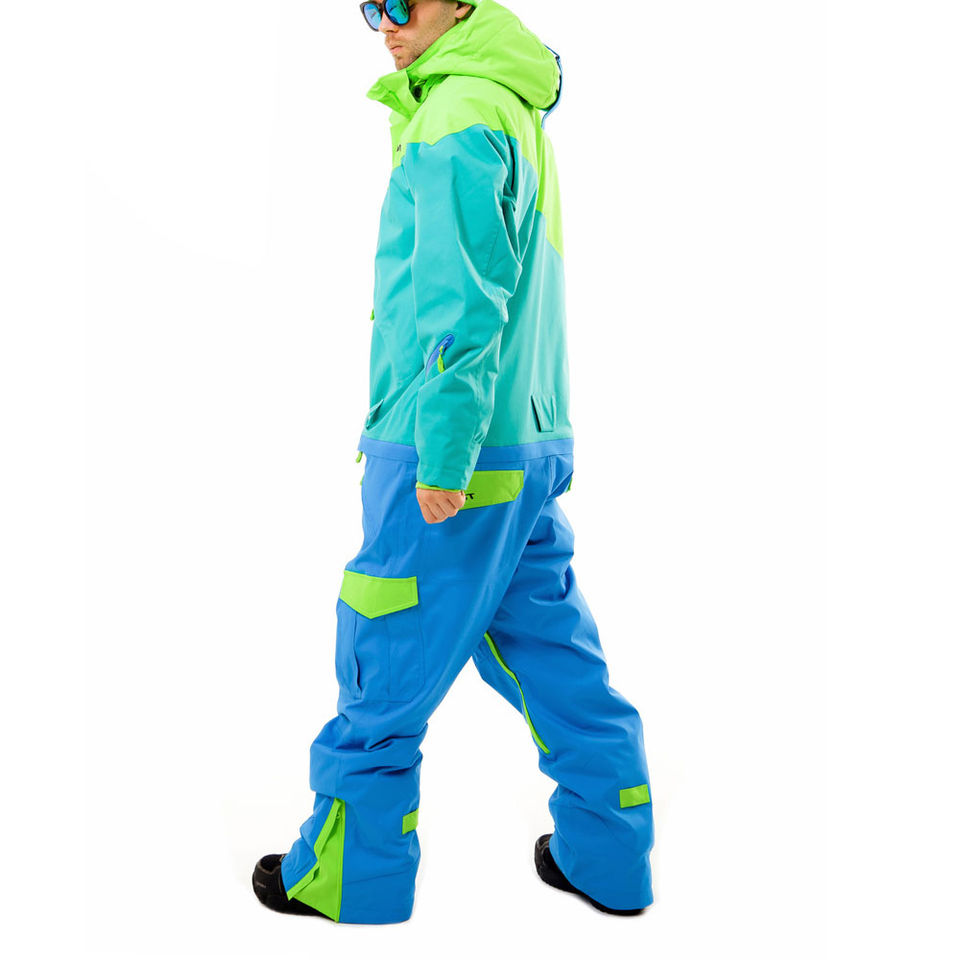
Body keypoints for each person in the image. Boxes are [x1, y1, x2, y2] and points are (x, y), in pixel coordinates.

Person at [252, 0, 654, 924]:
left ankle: (351, 877)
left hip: (453, 448)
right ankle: (611, 856)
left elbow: (461, 298)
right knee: (553, 655)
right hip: (527, 439)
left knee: (385, 644)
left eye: (405, 4)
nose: (385, 25)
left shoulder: (456, 112)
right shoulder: (510, 101)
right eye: (371, 7)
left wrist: (442, 454)